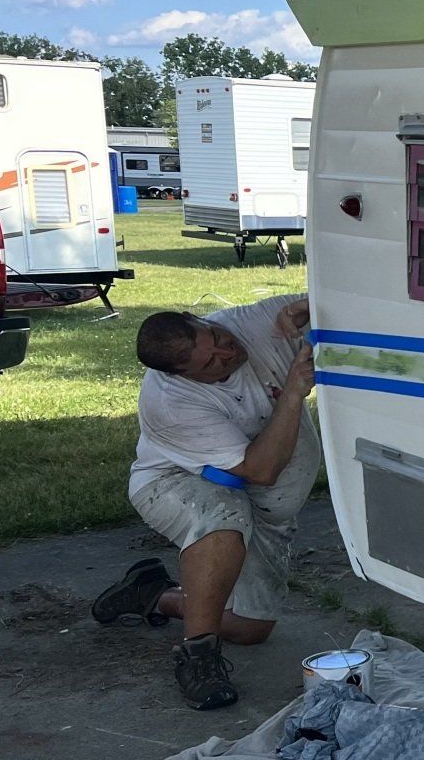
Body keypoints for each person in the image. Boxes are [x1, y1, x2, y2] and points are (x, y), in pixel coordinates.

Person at [91, 296, 319, 709]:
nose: (227, 352)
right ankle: (197, 658)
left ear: (199, 319)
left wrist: (310, 306)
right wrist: (292, 394)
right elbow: (262, 469)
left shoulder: (247, 322)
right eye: (211, 363)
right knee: (222, 515)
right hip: (172, 484)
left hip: (256, 502)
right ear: (184, 376)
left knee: (252, 629)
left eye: (216, 338)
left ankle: (153, 593)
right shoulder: (169, 403)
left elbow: (331, 299)